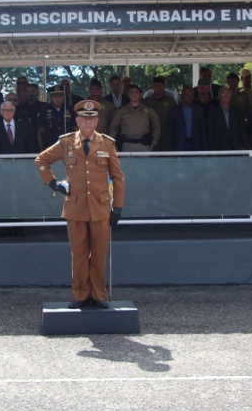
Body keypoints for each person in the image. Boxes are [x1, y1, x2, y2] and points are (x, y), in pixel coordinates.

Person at [35, 100, 125, 309]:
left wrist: (118, 205)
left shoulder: (107, 143)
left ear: (97, 121)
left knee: (99, 253)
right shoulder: (66, 142)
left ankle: (99, 295)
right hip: (75, 208)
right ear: (77, 120)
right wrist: (53, 183)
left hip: (101, 207)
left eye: (91, 118)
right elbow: (41, 160)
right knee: (79, 253)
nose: (87, 121)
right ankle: (81, 294)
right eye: (83, 117)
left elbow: (118, 177)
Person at [109, 84, 160, 152]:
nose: (134, 94)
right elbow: (113, 127)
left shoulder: (149, 110)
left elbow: (156, 126)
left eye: (136, 92)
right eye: (132, 92)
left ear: (140, 94)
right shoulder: (121, 111)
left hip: (144, 146)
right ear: (128, 95)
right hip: (126, 146)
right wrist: (113, 144)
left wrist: (154, 143)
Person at [168, 85, 208, 151]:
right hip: (179, 145)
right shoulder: (174, 111)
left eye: (191, 95)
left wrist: (205, 149)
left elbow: (203, 131)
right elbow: (170, 132)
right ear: (182, 96)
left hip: (196, 145)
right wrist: (169, 150)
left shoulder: (199, 110)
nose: (189, 97)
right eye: (187, 95)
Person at [143, 77, 178, 150]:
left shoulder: (171, 102)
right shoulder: (145, 102)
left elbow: (176, 118)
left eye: (162, 85)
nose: (160, 87)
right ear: (152, 87)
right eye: (157, 85)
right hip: (150, 136)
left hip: (166, 137)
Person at [37, 85, 75, 150]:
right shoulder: (44, 110)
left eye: (60, 95)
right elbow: (40, 132)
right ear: (50, 97)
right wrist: (41, 150)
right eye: (54, 96)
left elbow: (76, 129)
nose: (57, 98)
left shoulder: (70, 109)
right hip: (50, 147)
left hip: (68, 148)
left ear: (63, 97)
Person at [207, 86, 245, 151]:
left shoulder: (237, 111)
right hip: (219, 148)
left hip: (236, 147)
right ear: (219, 96)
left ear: (231, 96)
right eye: (223, 94)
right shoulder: (212, 112)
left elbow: (242, 130)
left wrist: (244, 147)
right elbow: (210, 133)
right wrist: (211, 150)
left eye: (228, 94)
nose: (226, 96)